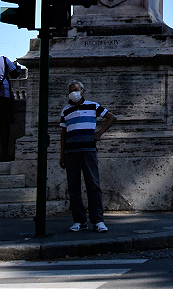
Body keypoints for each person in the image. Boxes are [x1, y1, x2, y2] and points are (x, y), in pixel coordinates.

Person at [59, 80, 117, 232]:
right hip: (71, 152)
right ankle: (80, 220)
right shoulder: (66, 110)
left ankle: (98, 220)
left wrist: (99, 133)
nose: (74, 92)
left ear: (82, 90)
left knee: (93, 185)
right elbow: (63, 134)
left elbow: (111, 117)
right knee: (73, 187)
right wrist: (62, 155)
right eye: (71, 90)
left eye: (76, 89)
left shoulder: (93, 106)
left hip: (88, 150)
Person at [0, 41, 22, 162]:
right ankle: (4, 154)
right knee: (5, 127)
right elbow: (15, 74)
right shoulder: (4, 60)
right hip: (3, 96)